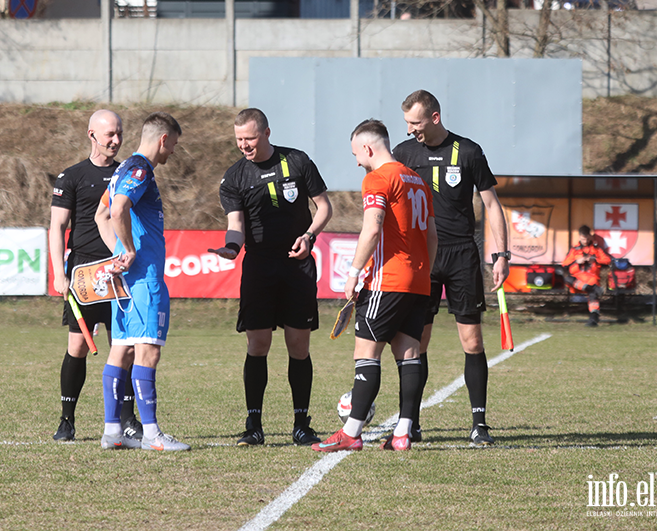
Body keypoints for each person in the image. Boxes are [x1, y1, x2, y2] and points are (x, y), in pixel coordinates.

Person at [392, 89, 509, 447]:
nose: (411, 130)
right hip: (420, 257)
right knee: (416, 342)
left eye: (416, 123)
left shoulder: (469, 152)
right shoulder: (403, 153)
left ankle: (479, 424)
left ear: (435, 117)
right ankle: (409, 422)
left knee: (472, 341)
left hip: (461, 255)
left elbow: (492, 205)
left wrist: (501, 255)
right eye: (407, 123)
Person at [210, 108, 333, 447]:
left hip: (298, 265)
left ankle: (301, 424)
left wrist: (308, 236)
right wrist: (231, 249)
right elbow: (236, 225)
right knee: (258, 345)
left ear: (266, 133)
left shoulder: (297, 161)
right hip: (259, 267)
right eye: (238, 139)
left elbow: (324, 207)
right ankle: (253, 425)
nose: (244, 145)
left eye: (249, 138)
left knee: (298, 346)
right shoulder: (234, 176)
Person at [313, 119, 436, 452]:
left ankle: (351, 433)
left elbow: (372, 228)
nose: (356, 161)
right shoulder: (417, 180)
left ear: (368, 148)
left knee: (366, 353)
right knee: (409, 354)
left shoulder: (378, 178)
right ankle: (402, 434)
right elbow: (432, 235)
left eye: (356, 153)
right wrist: (423, 270)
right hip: (419, 280)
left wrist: (353, 272)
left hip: (387, 279)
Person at [96, 112, 190, 451]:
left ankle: (112, 433)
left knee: (120, 350)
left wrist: (118, 253)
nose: (173, 153)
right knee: (148, 350)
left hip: (125, 279)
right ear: (163, 139)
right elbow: (118, 209)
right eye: (174, 146)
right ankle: (152, 436)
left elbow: (101, 213)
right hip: (144, 278)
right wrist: (131, 251)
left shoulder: (121, 169)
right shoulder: (139, 169)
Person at [49, 109, 142, 442]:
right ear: (92, 135)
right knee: (77, 346)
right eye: (109, 135)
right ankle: (67, 419)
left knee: (125, 347)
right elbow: (57, 227)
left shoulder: (129, 174)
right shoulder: (71, 177)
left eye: (119, 134)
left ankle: (129, 419)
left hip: (119, 269)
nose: (116, 140)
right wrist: (60, 274)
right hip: (85, 272)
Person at [561, 225, 612, 327]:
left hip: (591, 278)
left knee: (592, 293)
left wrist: (594, 259)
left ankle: (594, 318)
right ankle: (591, 289)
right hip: (578, 281)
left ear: (590, 236)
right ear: (579, 237)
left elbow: (608, 260)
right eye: (583, 238)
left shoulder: (597, 249)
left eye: (587, 238)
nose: (585, 240)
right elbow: (564, 264)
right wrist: (576, 261)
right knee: (567, 279)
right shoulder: (574, 250)